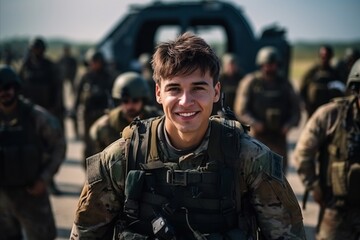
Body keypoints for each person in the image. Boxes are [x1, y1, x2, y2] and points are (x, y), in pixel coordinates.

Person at [70, 32, 305, 240]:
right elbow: (85, 232)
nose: (185, 101)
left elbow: (286, 233)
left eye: (198, 88)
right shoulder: (120, 158)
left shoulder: (250, 158)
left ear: (216, 92)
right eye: (174, 89)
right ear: (158, 93)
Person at [293, 59, 360, 239]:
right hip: (336, 211)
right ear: (356, 88)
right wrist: (314, 186)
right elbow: (302, 153)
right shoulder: (331, 114)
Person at [0, 66, 66, 239]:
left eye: (6, 88)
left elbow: (58, 145)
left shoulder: (36, 117)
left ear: (15, 88)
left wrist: (45, 178)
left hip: (31, 195)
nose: (3, 93)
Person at [234, 46, 301, 173]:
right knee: (255, 173)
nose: (270, 68)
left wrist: (288, 125)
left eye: (273, 65)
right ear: (261, 64)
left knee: (279, 174)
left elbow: (296, 110)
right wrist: (254, 123)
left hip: (279, 138)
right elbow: (241, 110)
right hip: (257, 137)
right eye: (267, 65)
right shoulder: (251, 82)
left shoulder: (285, 84)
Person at [18, 36, 65, 195]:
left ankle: (49, 181)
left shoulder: (50, 67)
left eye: (39, 48)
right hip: (28, 114)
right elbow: (18, 88)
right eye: (35, 48)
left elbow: (58, 90)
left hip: (46, 115)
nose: (37, 51)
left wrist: (56, 111)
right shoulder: (25, 67)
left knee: (48, 150)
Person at [89, 71, 163, 155]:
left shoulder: (158, 123)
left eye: (135, 100)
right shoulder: (104, 126)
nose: (130, 106)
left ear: (143, 100)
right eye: (125, 101)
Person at [73, 50, 114, 168]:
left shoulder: (108, 77)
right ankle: (88, 175)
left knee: (104, 144)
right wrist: (74, 111)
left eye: (97, 61)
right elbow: (78, 95)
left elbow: (113, 96)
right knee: (89, 145)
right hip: (88, 116)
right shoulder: (85, 77)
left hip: (103, 115)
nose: (94, 64)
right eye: (92, 62)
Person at [299, 45, 344, 118]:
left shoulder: (335, 73)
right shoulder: (312, 72)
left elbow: (341, 91)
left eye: (327, 56)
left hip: (329, 111)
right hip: (312, 110)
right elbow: (302, 88)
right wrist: (305, 104)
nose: (324, 58)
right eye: (322, 55)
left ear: (331, 56)